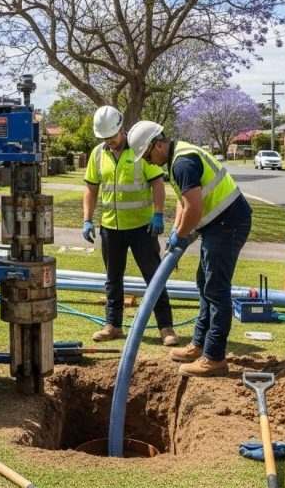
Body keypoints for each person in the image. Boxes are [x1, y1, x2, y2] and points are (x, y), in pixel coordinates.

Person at [127, 121, 252, 377]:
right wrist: (177, 231)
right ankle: (199, 344)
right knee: (204, 283)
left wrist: (182, 237)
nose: (149, 161)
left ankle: (214, 357)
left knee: (216, 290)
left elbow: (194, 208)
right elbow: (184, 204)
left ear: (158, 144)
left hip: (228, 224)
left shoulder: (182, 162)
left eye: (148, 155)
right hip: (219, 224)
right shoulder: (177, 158)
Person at [82, 106, 179, 347]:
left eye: (112, 137)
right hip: (110, 228)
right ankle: (113, 325)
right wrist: (86, 219)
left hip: (142, 228)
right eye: (104, 138)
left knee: (153, 277)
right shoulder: (97, 154)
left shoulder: (139, 150)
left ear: (121, 129)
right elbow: (91, 189)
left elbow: (157, 184)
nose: (109, 141)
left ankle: (165, 327)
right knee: (113, 279)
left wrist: (158, 214)